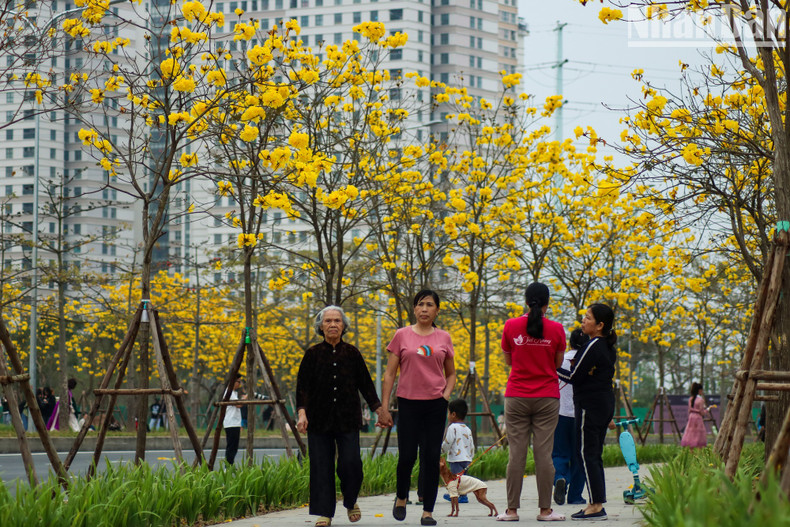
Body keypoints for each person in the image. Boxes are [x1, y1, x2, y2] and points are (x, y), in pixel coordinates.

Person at [296, 305, 384, 527]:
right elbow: (302, 387)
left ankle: (351, 500)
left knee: (351, 463)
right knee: (321, 466)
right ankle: (324, 513)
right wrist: (302, 413)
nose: (333, 324)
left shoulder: (352, 353)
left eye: (337, 321)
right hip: (318, 419)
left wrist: (379, 410)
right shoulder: (312, 354)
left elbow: (365, 384)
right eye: (328, 321)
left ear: (344, 326)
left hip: (347, 419)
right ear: (320, 326)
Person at [379, 289, 457, 527]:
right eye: (420, 304)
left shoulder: (444, 337)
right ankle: (401, 497)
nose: (425, 309)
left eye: (430, 305)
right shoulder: (401, 335)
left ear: (437, 310)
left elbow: (451, 373)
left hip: (435, 405)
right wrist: (384, 406)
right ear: (414, 309)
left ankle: (428, 512)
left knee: (432, 457)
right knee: (407, 456)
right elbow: (390, 373)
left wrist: (445, 396)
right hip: (408, 403)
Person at [496, 282, 566, 523]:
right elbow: (557, 364)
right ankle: (545, 511)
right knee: (544, 455)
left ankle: (512, 511)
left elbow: (509, 361)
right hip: (547, 396)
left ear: (526, 301)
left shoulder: (511, 326)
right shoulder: (557, 329)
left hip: (516, 396)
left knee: (516, 454)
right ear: (548, 303)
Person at [558, 303, 617, 522]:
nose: (583, 320)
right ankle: (595, 502)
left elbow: (574, 377)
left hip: (590, 406)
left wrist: (552, 367)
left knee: (587, 454)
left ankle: (595, 506)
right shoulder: (606, 346)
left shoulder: (595, 345)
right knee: (593, 454)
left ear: (600, 325)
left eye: (588, 317)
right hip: (602, 404)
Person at [552, 329, 588, 507]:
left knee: (559, 453)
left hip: (559, 414)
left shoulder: (560, 361)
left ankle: (560, 478)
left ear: (570, 342)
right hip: (580, 416)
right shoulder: (588, 361)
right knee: (579, 456)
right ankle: (575, 496)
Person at [442, 398, 474, 504]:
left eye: (448, 413)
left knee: (455, 479)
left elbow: (448, 442)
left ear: (453, 414)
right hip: (466, 459)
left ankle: (459, 496)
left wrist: (441, 450)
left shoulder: (452, 428)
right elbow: (471, 444)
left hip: (456, 458)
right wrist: (471, 457)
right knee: (462, 478)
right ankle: (463, 494)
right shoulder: (467, 428)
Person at [681, 382, 711, 448]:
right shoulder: (700, 400)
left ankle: (690, 448)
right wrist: (707, 410)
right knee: (699, 434)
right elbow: (702, 412)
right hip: (698, 418)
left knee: (690, 433)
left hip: (691, 417)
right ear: (699, 390)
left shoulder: (690, 399)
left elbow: (689, 409)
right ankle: (698, 449)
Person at [223, 374, 245, 465]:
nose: (239, 384)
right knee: (231, 446)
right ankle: (227, 466)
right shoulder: (229, 392)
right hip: (231, 423)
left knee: (233, 446)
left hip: (234, 423)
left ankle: (229, 465)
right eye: (238, 382)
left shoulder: (233, 393)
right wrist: (244, 399)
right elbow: (238, 405)